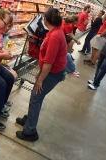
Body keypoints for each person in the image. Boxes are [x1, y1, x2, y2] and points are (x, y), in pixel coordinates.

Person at [15, 8, 67, 142]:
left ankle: (30, 131)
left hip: (53, 72)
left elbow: (49, 62)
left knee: (35, 98)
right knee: (37, 97)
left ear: (45, 20)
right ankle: (29, 120)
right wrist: (40, 70)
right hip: (51, 70)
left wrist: (40, 80)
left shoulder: (55, 36)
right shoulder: (54, 31)